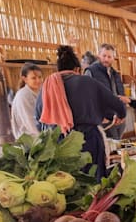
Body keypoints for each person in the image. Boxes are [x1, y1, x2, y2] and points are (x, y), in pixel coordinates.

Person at [35, 45, 126, 181]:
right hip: (87, 141)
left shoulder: (47, 87)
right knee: (93, 183)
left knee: (68, 186)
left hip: (58, 143)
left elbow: (38, 118)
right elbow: (117, 104)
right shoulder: (86, 81)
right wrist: (120, 115)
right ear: (77, 69)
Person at [84, 43, 130, 140]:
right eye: (104, 55)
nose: (106, 59)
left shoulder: (115, 74)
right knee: (109, 149)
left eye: (109, 56)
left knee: (118, 146)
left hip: (118, 119)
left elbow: (121, 95)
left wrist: (122, 114)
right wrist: (99, 117)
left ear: (113, 58)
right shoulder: (91, 71)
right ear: (99, 55)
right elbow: (87, 97)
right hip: (104, 120)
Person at [10, 63, 43, 139]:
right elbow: (31, 122)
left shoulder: (40, 92)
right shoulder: (23, 96)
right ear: (25, 79)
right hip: (30, 141)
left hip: (39, 138)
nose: (38, 80)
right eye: (34, 78)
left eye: (40, 77)